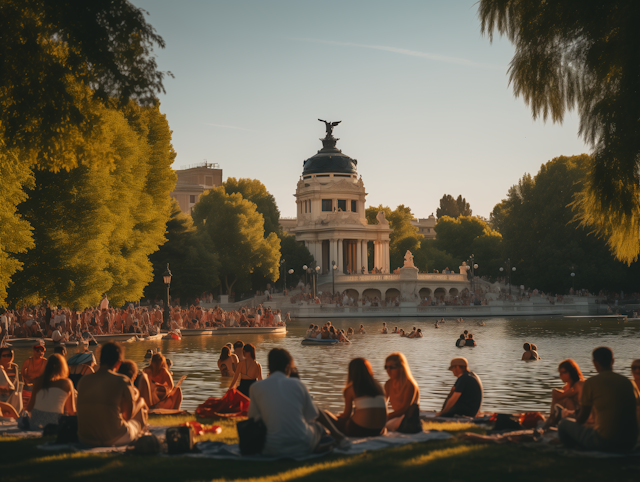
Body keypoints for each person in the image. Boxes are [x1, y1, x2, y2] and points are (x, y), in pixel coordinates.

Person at [247, 348, 328, 456]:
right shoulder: (298, 385)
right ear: (287, 367)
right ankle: (334, 441)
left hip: (271, 447)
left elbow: (253, 419)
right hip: (302, 445)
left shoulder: (255, 387)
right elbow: (311, 417)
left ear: (269, 367)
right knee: (318, 427)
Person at [558, 347, 639, 452]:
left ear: (595, 363)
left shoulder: (591, 383)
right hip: (630, 442)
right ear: (613, 361)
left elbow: (582, 418)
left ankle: (573, 451)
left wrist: (574, 419)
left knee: (564, 424)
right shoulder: (629, 383)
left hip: (604, 442)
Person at [77, 342, 147, 447]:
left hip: (86, 439)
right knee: (138, 418)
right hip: (114, 438)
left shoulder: (83, 380)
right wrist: (141, 402)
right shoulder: (122, 380)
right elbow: (127, 416)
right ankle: (144, 434)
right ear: (118, 363)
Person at [323, 358, 387, 437]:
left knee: (323, 414)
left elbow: (346, 415)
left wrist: (337, 417)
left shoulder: (351, 388)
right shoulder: (378, 386)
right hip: (379, 430)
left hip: (359, 430)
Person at [25, 354, 76, 429]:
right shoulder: (66, 383)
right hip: (55, 423)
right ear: (63, 367)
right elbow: (71, 410)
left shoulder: (38, 381)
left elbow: (29, 407)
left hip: (35, 423)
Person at [384, 352, 420, 432]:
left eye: (391, 367)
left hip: (408, 418)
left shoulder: (410, 384)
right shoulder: (388, 383)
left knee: (383, 425)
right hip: (395, 417)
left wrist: (386, 417)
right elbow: (383, 403)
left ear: (401, 367)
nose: (388, 370)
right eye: (386, 367)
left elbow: (405, 409)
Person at [544, 359, 585, 428]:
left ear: (571, 372)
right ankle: (552, 418)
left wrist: (557, 393)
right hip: (573, 413)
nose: (561, 376)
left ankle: (552, 419)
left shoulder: (579, 384)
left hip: (581, 415)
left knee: (559, 395)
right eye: (560, 373)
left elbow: (558, 397)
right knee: (562, 396)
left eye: (563, 372)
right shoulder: (567, 387)